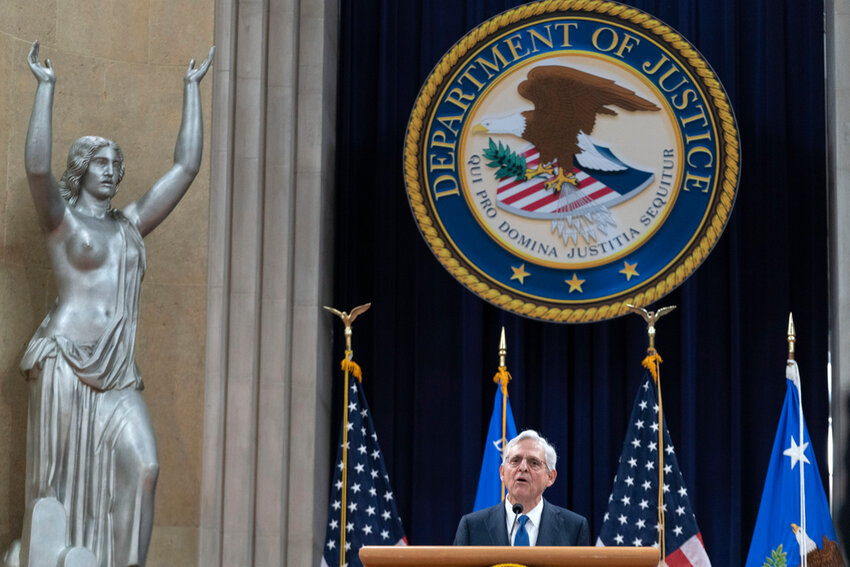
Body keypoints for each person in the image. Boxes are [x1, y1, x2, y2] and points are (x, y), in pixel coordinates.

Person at [16, 40, 213, 566]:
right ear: (81, 168)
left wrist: (192, 91)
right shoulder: (62, 223)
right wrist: (46, 89)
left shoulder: (130, 227)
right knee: (49, 488)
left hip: (118, 375)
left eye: (114, 163)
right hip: (63, 361)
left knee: (145, 466)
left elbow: (186, 167)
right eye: (99, 161)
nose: (110, 169)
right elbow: (37, 170)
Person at [454, 430, 589, 546]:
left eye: (534, 462)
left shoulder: (574, 528)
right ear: (502, 472)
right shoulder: (472, 527)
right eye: (515, 460)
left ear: (550, 477)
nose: (523, 468)